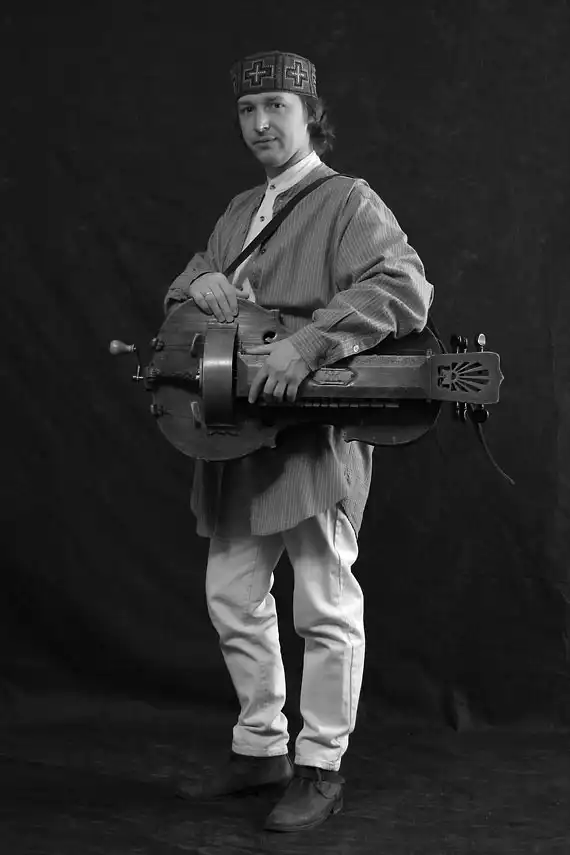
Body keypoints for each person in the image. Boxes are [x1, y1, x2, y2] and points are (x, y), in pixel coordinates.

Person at [165, 50, 434, 832]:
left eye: (276, 107)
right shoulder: (239, 210)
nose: (260, 124)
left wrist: (309, 344)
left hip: (312, 438)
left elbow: (402, 285)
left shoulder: (348, 200)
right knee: (232, 595)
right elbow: (189, 294)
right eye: (247, 111)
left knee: (322, 600)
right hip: (236, 437)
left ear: (309, 115)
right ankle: (260, 748)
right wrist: (198, 283)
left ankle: (320, 763)